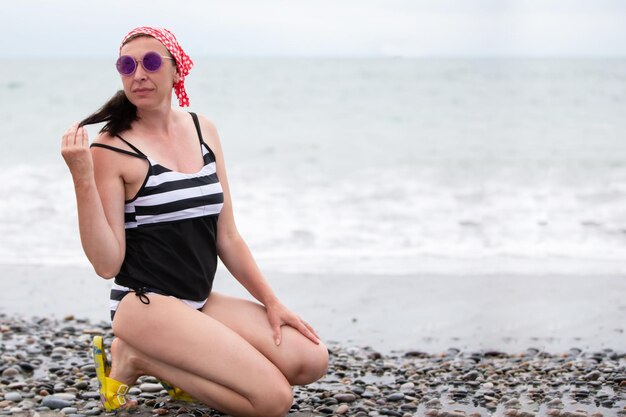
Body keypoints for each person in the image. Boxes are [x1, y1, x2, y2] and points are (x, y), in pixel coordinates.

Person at [60, 26, 329, 417]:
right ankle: (139, 357)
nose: (138, 74)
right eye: (126, 65)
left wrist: (271, 302)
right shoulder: (110, 148)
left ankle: (159, 357)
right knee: (273, 401)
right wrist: (82, 177)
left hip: (197, 300)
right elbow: (106, 264)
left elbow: (228, 236)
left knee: (310, 359)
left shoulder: (203, 130)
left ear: (176, 70)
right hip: (144, 303)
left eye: (151, 62)